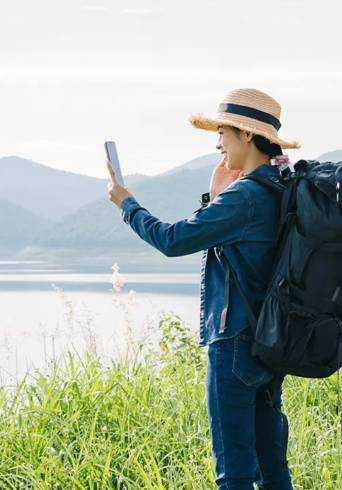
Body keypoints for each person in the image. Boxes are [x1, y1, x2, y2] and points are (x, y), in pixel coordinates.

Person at [107, 88, 300, 490]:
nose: (218, 142)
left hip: (234, 345)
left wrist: (128, 205)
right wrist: (215, 198)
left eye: (223, 132)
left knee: (234, 474)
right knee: (273, 469)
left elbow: (173, 239)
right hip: (270, 343)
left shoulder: (246, 196)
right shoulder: (284, 188)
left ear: (248, 135)